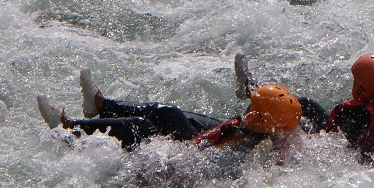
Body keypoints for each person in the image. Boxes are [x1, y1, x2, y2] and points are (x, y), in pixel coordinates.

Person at [36, 69, 302, 152]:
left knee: (139, 127)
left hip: (184, 171)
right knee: (169, 113)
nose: (247, 109)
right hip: (198, 161)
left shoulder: (241, 130)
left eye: (252, 106)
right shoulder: (284, 132)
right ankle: (102, 106)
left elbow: (190, 151)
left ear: (260, 116)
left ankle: (68, 127)